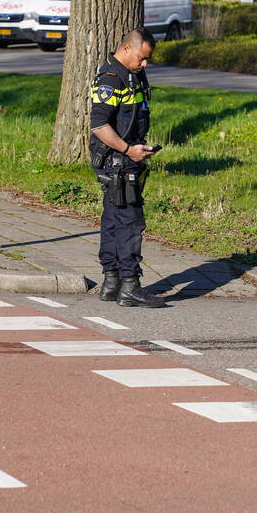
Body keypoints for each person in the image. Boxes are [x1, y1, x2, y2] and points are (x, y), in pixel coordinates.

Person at [89, 28, 166, 308]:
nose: (144, 64)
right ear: (126, 49)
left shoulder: (133, 74)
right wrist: (127, 149)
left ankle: (111, 283)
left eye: (147, 60)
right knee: (131, 221)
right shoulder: (112, 78)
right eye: (141, 58)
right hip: (117, 159)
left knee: (113, 218)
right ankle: (130, 286)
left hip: (126, 157)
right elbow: (99, 125)